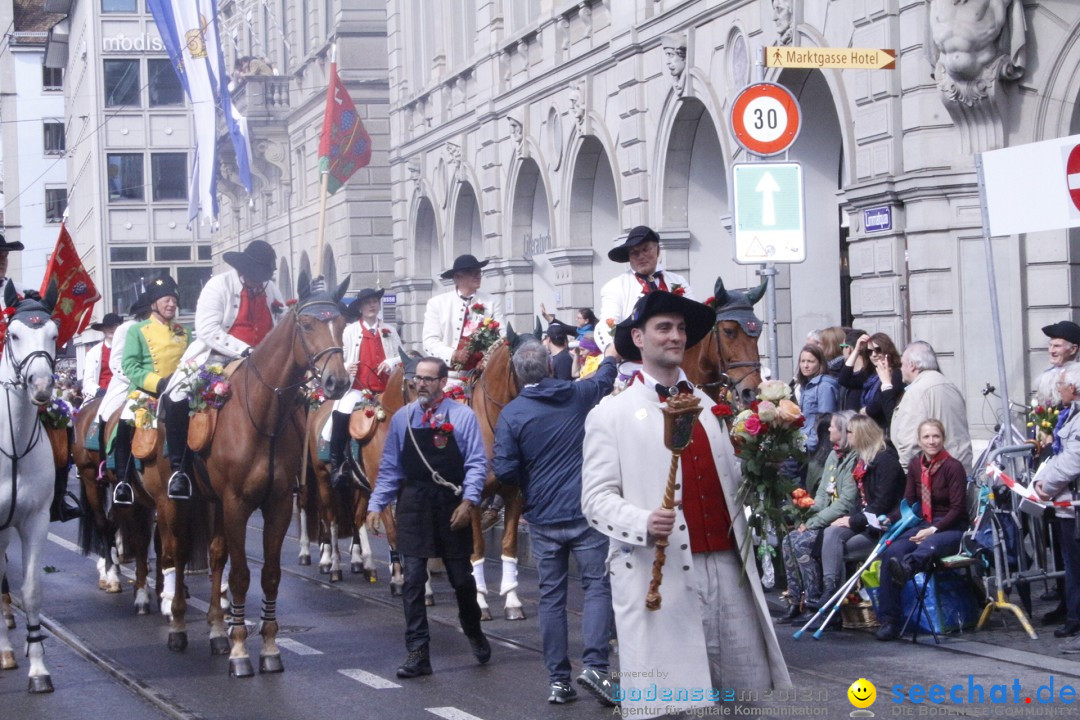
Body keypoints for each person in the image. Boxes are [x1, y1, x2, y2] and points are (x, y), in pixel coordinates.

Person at [582, 291, 789, 718]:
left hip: (730, 568)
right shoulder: (612, 414)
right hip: (663, 570)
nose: (675, 336)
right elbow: (596, 500)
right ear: (638, 337)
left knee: (742, 698)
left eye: (679, 329)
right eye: (663, 328)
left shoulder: (713, 409)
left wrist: (767, 467)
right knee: (674, 704)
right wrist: (642, 521)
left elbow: (729, 484)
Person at [493, 338, 619, 705]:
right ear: (550, 366)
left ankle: (558, 682)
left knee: (551, 598)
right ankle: (595, 666)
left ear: (517, 374)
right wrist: (610, 356)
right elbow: (604, 381)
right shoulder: (577, 394)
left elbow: (504, 470)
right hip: (585, 512)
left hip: (544, 517)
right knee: (597, 587)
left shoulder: (512, 414)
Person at [366, 357, 491, 678]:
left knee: (462, 579)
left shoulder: (462, 416)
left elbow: (477, 463)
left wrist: (470, 500)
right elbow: (391, 466)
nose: (420, 383)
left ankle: (472, 628)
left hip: (451, 506)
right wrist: (376, 504)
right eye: (417, 378)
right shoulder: (402, 419)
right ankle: (418, 652)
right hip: (414, 504)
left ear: (442, 382)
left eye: (427, 379)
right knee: (412, 580)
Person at [162, 240, 285, 499]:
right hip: (216, 357)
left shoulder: (271, 288)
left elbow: (282, 325)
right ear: (243, 270)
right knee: (176, 396)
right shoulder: (217, 286)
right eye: (254, 276)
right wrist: (247, 352)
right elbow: (207, 330)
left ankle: (295, 468)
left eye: (262, 277)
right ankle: (179, 470)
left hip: (265, 365)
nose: (258, 282)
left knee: (301, 397)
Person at [874, 419, 969, 641]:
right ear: (920, 440)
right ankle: (890, 621)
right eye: (926, 437)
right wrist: (890, 519)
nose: (931, 441)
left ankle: (907, 568)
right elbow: (909, 501)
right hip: (923, 522)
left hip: (950, 526)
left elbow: (958, 509)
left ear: (943, 438)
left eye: (936, 436)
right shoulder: (916, 465)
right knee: (891, 552)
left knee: (927, 545)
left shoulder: (953, 467)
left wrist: (934, 529)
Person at [779, 410, 858, 625]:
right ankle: (796, 600)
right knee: (789, 539)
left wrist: (813, 523)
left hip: (845, 521)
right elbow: (823, 494)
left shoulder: (855, 458)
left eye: (833, 426)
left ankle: (815, 603)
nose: (829, 429)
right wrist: (806, 517)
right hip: (826, 518)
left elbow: (846, 503)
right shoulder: (833, 455)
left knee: (802, 542)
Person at [117, 275, 190, 502]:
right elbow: (129, 365)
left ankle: (181, 473)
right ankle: (123, 481)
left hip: (181, 391)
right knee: (125, 422)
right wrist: (157, 383)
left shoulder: (184, 331)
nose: (171, 304)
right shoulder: (137, 330)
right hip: (148, 393)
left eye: (174, 300)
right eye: (166, 300)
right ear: (154, 304)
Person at [819, 415, 906, 599]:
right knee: (831, 532)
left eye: (849, 432)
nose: (846, 435)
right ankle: (830, 590)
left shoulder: (885, 461)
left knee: (838, 547)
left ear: (861, 434)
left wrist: (852, 520)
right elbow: (860, 500)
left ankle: (835, 598)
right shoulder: (862, 460)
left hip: (883, 526)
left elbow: (883, 503)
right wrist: (849, 520)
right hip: (866, 521)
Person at [327, 287, 403, 488]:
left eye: (375, 302)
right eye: (368, 302)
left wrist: (392, 361)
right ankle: (338, 465)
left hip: (386, 389)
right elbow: (338, 356)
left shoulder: (390, 330)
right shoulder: (349, 331)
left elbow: (402, 355)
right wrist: (345, 366)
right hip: (360, 388)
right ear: (360, 307)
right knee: (342, 411)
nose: (372, 305)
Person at [1034, 362, 1080, 645]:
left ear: (1073, 388)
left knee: (1075, 565)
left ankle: (1075, 617)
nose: (1058, 389)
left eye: (1061, 385)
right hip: (1068, 503)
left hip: (1073, 505)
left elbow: (1072, 460)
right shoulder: (1071, 414)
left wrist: (1045, 485)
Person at [594, 225, 692, 350]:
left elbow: (691, 318)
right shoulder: (616, 286)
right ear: (629, 257)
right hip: (634, 359)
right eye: (634, 253)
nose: (641, 256)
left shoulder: (679, 281)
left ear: (657, 250)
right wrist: (615, 350)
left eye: (645, 249)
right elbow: (608, 323)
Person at [891, 341, 973, 473]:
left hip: (934, 475)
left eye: (902, 364)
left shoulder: (917, 391)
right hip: (958, 468)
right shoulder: (949, 384)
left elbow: (910, 443)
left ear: (912, 365)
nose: (900, 369)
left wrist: (906, 473)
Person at [422, 254, 506, 380]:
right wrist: (453, 354)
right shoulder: (437, 303)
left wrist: (486, 360)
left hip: (484, 375)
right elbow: (429, 342)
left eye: (479, 272)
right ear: (457, 277)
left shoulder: (492, 302)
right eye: (472, 272)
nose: (477, 276)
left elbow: (502, 337)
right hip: (449, 377)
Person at [99, 294, 150, 490]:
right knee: (107, 412)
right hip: (126, 382)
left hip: (159, 383)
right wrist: (138, 380)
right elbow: (116, 361)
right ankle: (106, 463)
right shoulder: (126, 329)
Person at [838, 332, 904, 436]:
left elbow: (883, 399)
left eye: (878, 350)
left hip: (883, 429)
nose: (874, 354)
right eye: (869, 351)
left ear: (887, 350)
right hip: (868, 430)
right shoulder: (870, 374)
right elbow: (844, 380)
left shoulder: (896, 373)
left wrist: (867, 410)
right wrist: (856, 350)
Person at [793, 344, 838, 454]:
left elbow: (824, 420)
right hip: (801, 443)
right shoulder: (806, 385)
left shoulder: (824, 386)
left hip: (815, 448)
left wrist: (810, 446)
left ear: (820, 363)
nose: (805, 365)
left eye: (810, 361)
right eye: (802, 361)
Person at [1034, 321, 1080, 407]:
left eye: (1057, 346)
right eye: (1050, 345)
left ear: (1073, 349)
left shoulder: (1077, 377)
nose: (1051, 351)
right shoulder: (1046, 376)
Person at [81, 313, 124, 398]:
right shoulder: (93, 353)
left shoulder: (129, 349)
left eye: (115, 325)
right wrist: (98, 391)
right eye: (108, 326)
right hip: (101, 394)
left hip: (125, 392)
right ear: (103, 329)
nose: (112, 328)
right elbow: (88, 380)